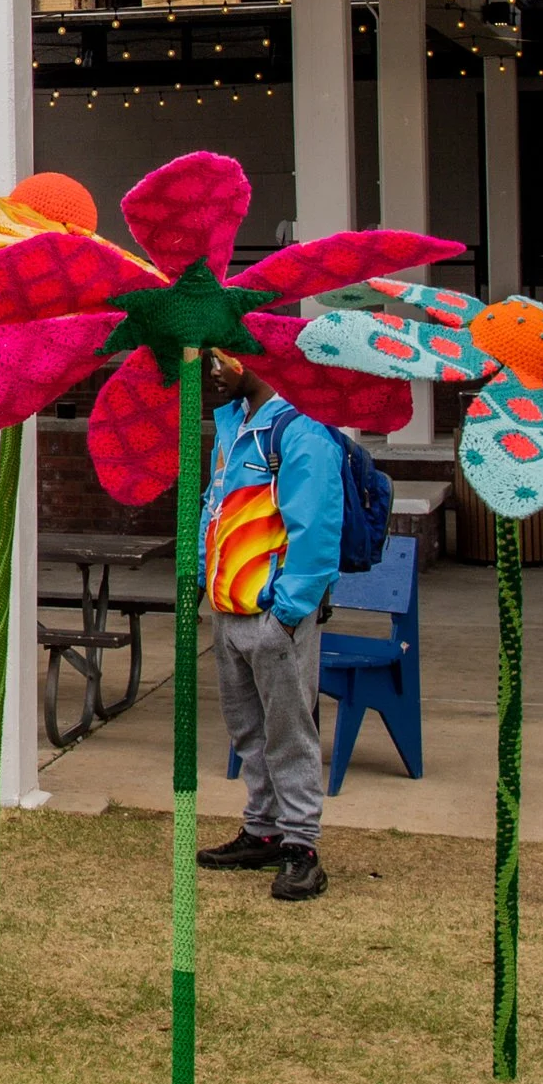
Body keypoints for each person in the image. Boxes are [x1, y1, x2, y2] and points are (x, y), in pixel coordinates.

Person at [194, 349, 340, 901]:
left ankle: (301, 847)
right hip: (229, 609)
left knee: (289, 733)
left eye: (220, 356)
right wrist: (206, 582)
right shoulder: (233, 424)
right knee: (247, 730)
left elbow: (317, 529)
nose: (211, 367)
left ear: (255, 357)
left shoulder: (302, 431)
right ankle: (263, 829)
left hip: (273, 616)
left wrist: (288, 611)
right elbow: (216, 509)